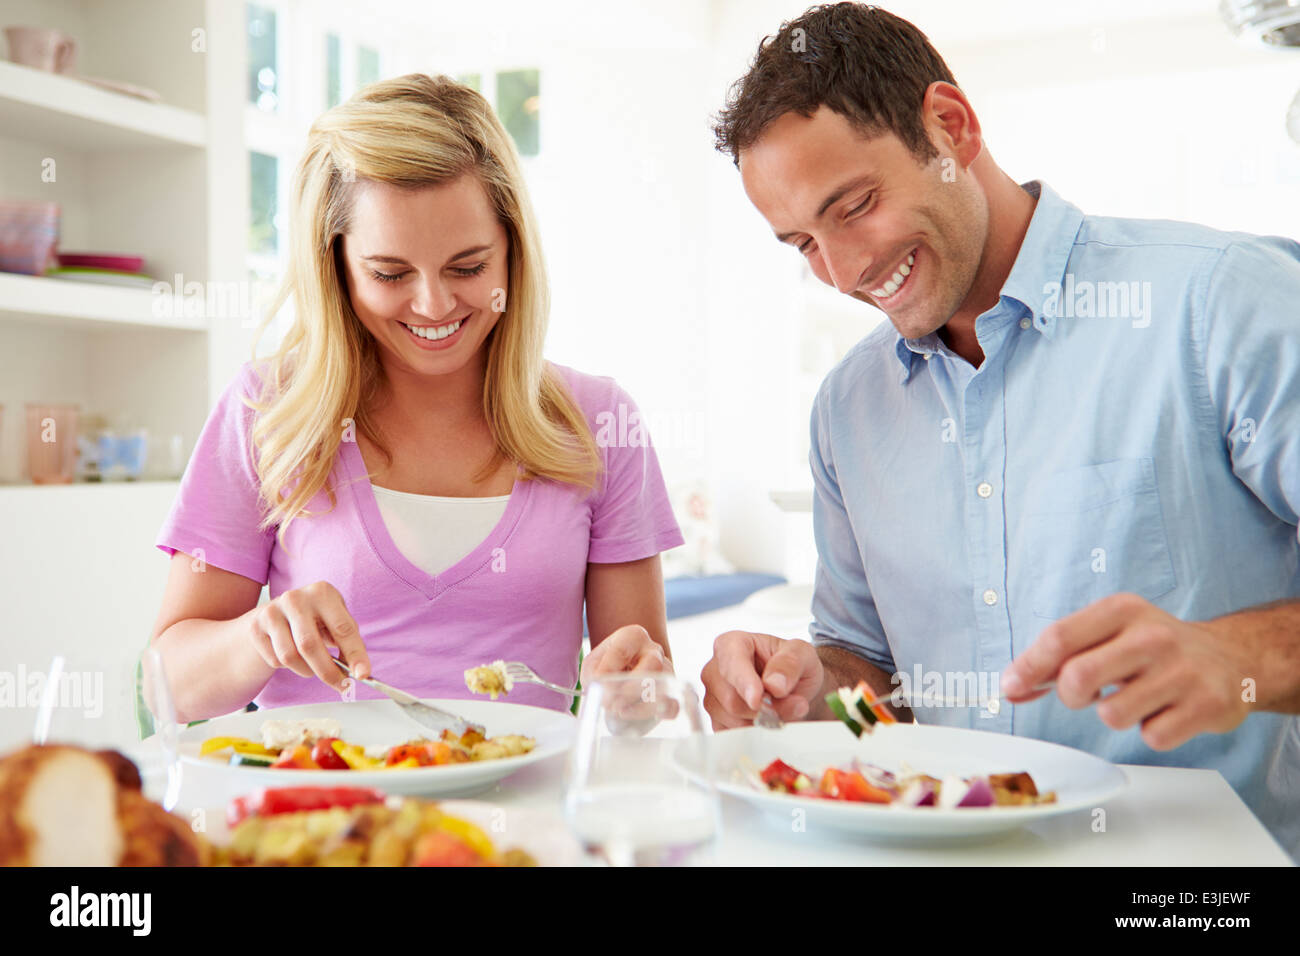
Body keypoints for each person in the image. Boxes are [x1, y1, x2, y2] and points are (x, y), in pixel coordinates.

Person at [700, 3, 1300, 859]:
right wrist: (810, 688)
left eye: (855, 205)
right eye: (802, 243)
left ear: (950, 127)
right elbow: (876, 692)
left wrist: (1243, 657)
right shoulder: (847, 409)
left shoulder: (1219, 304)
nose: (841, 271)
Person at [148, 74, 682, 723]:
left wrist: (636, 689)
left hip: (527, 819)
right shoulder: (268, 408)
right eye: (390, 273)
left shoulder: (598, 421)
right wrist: (258, 635)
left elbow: (645, 697)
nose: (433, 305)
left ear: (513, 251)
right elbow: (167, 688)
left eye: (468, 267)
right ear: (335, 265)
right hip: (319, 816)